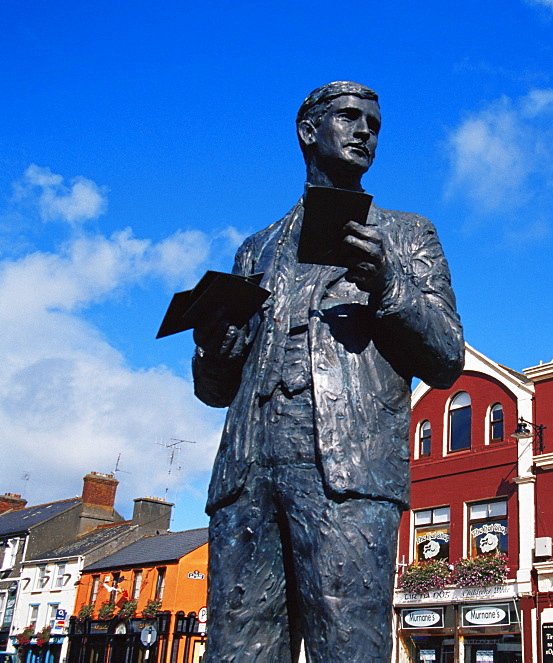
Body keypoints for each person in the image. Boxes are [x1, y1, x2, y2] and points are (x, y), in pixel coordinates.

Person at [191, 81, 464, 662]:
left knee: (346, 646)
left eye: (374, 123)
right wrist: (213, 347)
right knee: (237, 647)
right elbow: (215, 392)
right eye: (348, 117)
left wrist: (391, 283)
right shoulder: (255, 250)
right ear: (308, 131)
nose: (365, 131)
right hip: (247, 471)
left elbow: (446, 359)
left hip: (348, 469)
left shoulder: (409, 235)